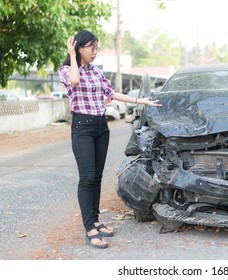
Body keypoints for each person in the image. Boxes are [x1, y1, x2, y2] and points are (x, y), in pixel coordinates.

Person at [59, 30, 161, 249]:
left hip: (100, 127)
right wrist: (72, 54)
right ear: (79, 48)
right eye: (91, 47)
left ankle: (95, 220)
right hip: (82, 127)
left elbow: (111, 93)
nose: (95, 51)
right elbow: (75, 81)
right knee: (86, 178)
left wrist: (139, 100)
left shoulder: (96, 71)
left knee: (96, 177)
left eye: (97, 47)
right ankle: (89, 228)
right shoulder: (67, 70)